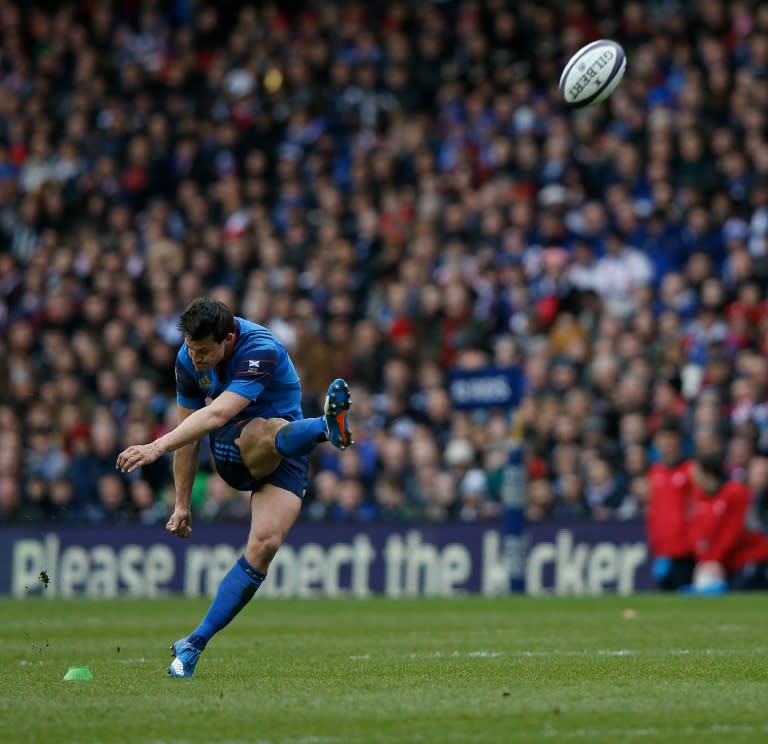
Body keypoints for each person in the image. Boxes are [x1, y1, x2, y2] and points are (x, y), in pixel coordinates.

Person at [116, 297, 353, 677]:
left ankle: (193, 643)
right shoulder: (186, 360)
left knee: (265, 545)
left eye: (204, 351)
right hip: (232, 450)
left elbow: (218, 409)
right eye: (192, 349)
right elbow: (193, 431)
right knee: (264, 430)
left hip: (285, 450)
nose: (196, 358)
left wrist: (156, 445)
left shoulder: (260, 348)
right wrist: (181, 504)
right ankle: (326, 428)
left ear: (228, 338)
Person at [684, 452, 768, 594]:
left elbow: (732, 532)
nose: (691, 477)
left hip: (750, 556)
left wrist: (713, 560)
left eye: (695, 473)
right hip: (725, 561)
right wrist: (705, 561)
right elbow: (697, 532)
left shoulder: (735, 493)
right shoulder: (698, 497)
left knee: (741, 594)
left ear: (708, 475)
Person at [646, 419, 695, 590]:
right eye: (663, 438)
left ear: (678, 441)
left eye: (670, 438)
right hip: (661, 549)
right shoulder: (654, 471)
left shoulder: (690, 470)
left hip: (685, 550)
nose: (666, 443)